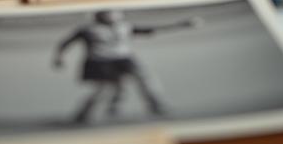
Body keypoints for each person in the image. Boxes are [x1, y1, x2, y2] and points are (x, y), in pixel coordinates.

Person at [52, 8, 198, 124]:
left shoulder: (124, 27)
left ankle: (157, 106)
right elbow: (65, 43)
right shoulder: (88, 29)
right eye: (107, 12)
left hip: (124, 58)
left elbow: (151, 30)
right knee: (105, 89)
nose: (112, 15)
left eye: (114, 12)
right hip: (100, 61)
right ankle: (83, 115)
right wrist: (59, 57)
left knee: (145, 79)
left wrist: (181, 25)